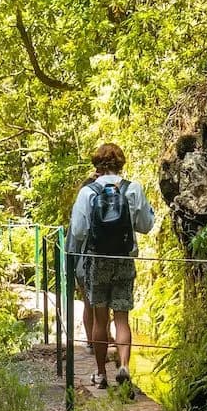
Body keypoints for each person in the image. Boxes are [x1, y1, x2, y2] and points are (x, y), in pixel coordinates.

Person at [68, 142, 156, 389]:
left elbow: (78, 230)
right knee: (122, 319)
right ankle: (124, 366)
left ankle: (100, 374)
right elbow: (146, 226)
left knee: (99, 319)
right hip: (124, 259)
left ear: (97, 164)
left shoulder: (88, 192)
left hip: (97, 261)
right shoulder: (133, 189)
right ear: (121, 163)